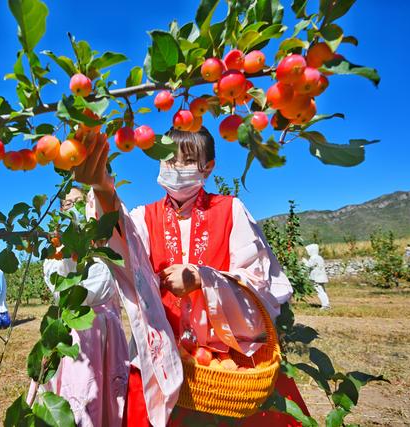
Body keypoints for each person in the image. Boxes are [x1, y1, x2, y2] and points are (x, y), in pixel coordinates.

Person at [72, 126, 309, 426]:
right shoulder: (146, 218)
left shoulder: (231, 211)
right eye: (168, 159)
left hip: (224, 373)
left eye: (185, 161)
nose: (174, 168)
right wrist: (103, 189)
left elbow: (261, 285)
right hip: (163, 365)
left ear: (207, 167)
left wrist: (203, 278)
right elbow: (123, 247)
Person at [29, 186, 130, 426]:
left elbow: (106, 283)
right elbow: (62, 290)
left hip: (105, 336)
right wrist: (69, 251)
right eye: (67, 204)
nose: (73, 208)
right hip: (73, 335)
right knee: (76, 396)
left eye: (79, 202)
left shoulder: (107, 244)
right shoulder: (57, 251)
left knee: (105, 398)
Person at [303, 244, 330, 310]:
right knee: (322, 290)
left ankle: (325, 305)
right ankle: (326, 304)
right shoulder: (319, 257)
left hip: (316, 278)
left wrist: (304, 261)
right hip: (321, 277)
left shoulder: (313, 258)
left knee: (320, 291)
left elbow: (309, 265)